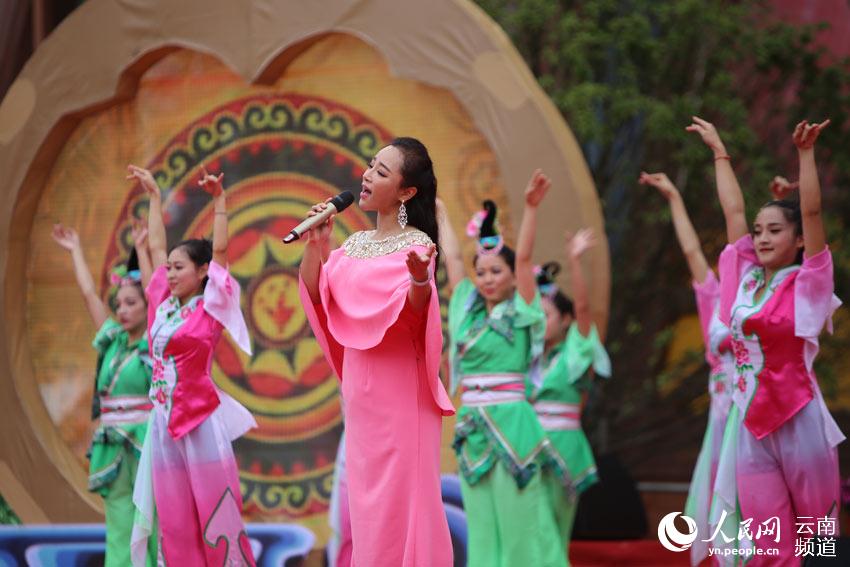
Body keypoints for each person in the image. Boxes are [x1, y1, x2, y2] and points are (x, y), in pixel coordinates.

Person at [688, 116, 843, 564]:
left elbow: (811, 212)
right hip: (750, 424)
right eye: (758, 232)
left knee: (817, 536)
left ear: (798, 241)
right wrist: (719, 152)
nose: (761, 238)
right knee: (765, 540)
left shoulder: (808, 282)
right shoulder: (745, 281)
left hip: (799, 417)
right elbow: (733, 213)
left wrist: (806, 154)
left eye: (775, 231)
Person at [298, 137, 454, 567]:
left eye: (382, 172)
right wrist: (316, 245)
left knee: (405, 508)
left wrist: (421, 282)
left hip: (402, 397)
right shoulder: (351, 246)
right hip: (362, 402)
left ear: (406, 192)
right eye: (370, 166)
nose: (367, 176)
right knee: (367, 516)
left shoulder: (418, 246)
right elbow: (316, 296)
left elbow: (416, 313)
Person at [128, 164, 257, 566]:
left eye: (178, 267)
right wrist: (152, 197)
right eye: (169, 269)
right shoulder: (162, 307)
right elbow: (153, 250)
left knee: (216, 515)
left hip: (200, 423)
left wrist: (219, 201)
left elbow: (219, 252)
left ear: (203, 273)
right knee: (175, 522)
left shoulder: (212, 306)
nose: (169, 273)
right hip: (163, 425)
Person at [440, 171, 566, 567]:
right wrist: (440, 212)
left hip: (512, 422)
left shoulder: (523, 311)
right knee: (482, 524)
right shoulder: (465, 309)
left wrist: (530, 208)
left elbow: (525, 256)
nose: (487, 278)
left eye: (497, 271)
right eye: (482, 272)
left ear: (514, 277)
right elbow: (453, 258)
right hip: (473, 424)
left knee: (518, 523)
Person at [639, 171, 734, 566]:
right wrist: (674, 198)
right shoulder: (717, 298)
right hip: (722, 418)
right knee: (720, 506)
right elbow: (693, 252)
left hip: (759, 417)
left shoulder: (767, 301)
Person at [51, 222, 154, 567]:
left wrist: (145, 251)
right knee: (120, 521)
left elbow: (158, 294)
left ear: (146, 305)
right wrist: (75, 249)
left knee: (150, 523)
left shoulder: (155, 342)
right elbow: (88, 296)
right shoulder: (113, 339)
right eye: (119, 304)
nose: (122, 309)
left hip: (147, 443)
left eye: (130, 303)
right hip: (112, 444)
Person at [531, 229, 611, 565]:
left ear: (565, 320)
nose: (539, 323)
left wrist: (575, 261)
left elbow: (583, 307)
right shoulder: (528, 358)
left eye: (546, 316)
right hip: (529, 447)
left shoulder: (576, 353)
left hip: (563, 448)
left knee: (554, 531)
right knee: (531, 531)